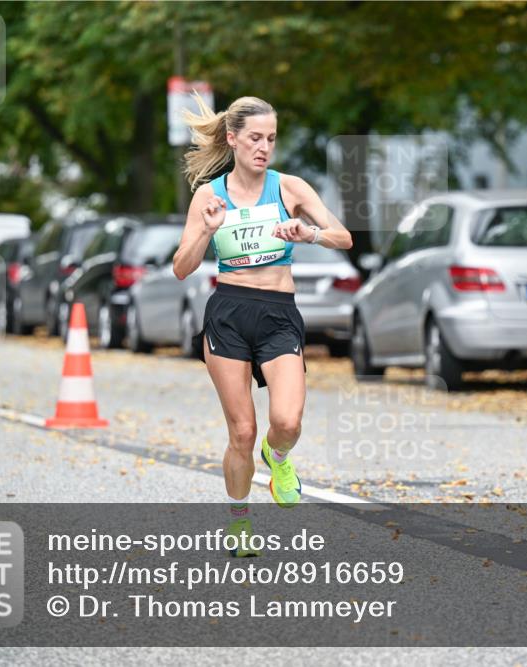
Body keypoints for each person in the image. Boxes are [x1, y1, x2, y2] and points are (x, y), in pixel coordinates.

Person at [172, 95, 352, 557]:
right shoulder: (209, 196)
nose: (264, 147)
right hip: (229, 312)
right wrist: (208, 230)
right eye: (255, 138)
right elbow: (181, 267)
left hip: (278, 312)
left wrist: (307, 233)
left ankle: (280, 458)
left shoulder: (290, 188)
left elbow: (342, 236)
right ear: (232, 139)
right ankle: (240, 524)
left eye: (271, 138)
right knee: (242, 433)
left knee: (287, 422)